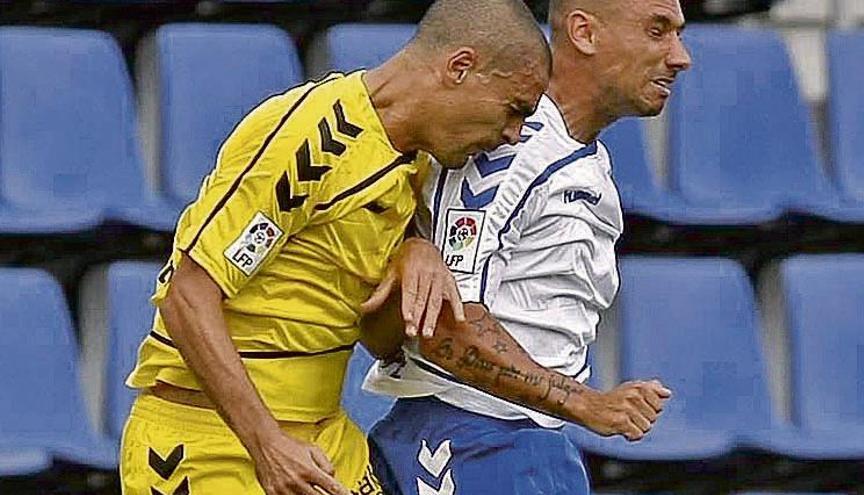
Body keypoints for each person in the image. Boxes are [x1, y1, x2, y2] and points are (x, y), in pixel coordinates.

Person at [119, 1, 551, 494]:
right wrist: (266, 444)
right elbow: (188, 298)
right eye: (514, 108)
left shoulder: (418, 163)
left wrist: (417, 248)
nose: (513, 135)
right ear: (460, 67)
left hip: (320, 439)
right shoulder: (313, 138)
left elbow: (381, 338)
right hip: (209, 447)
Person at [361, 0, 693, 493]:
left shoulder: (581, 155)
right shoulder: (510, 146)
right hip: (469, 439)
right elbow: (444, 324)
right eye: (657, 30)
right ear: (584, 33)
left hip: (521, 441)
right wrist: (586, 403)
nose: (680, 56)